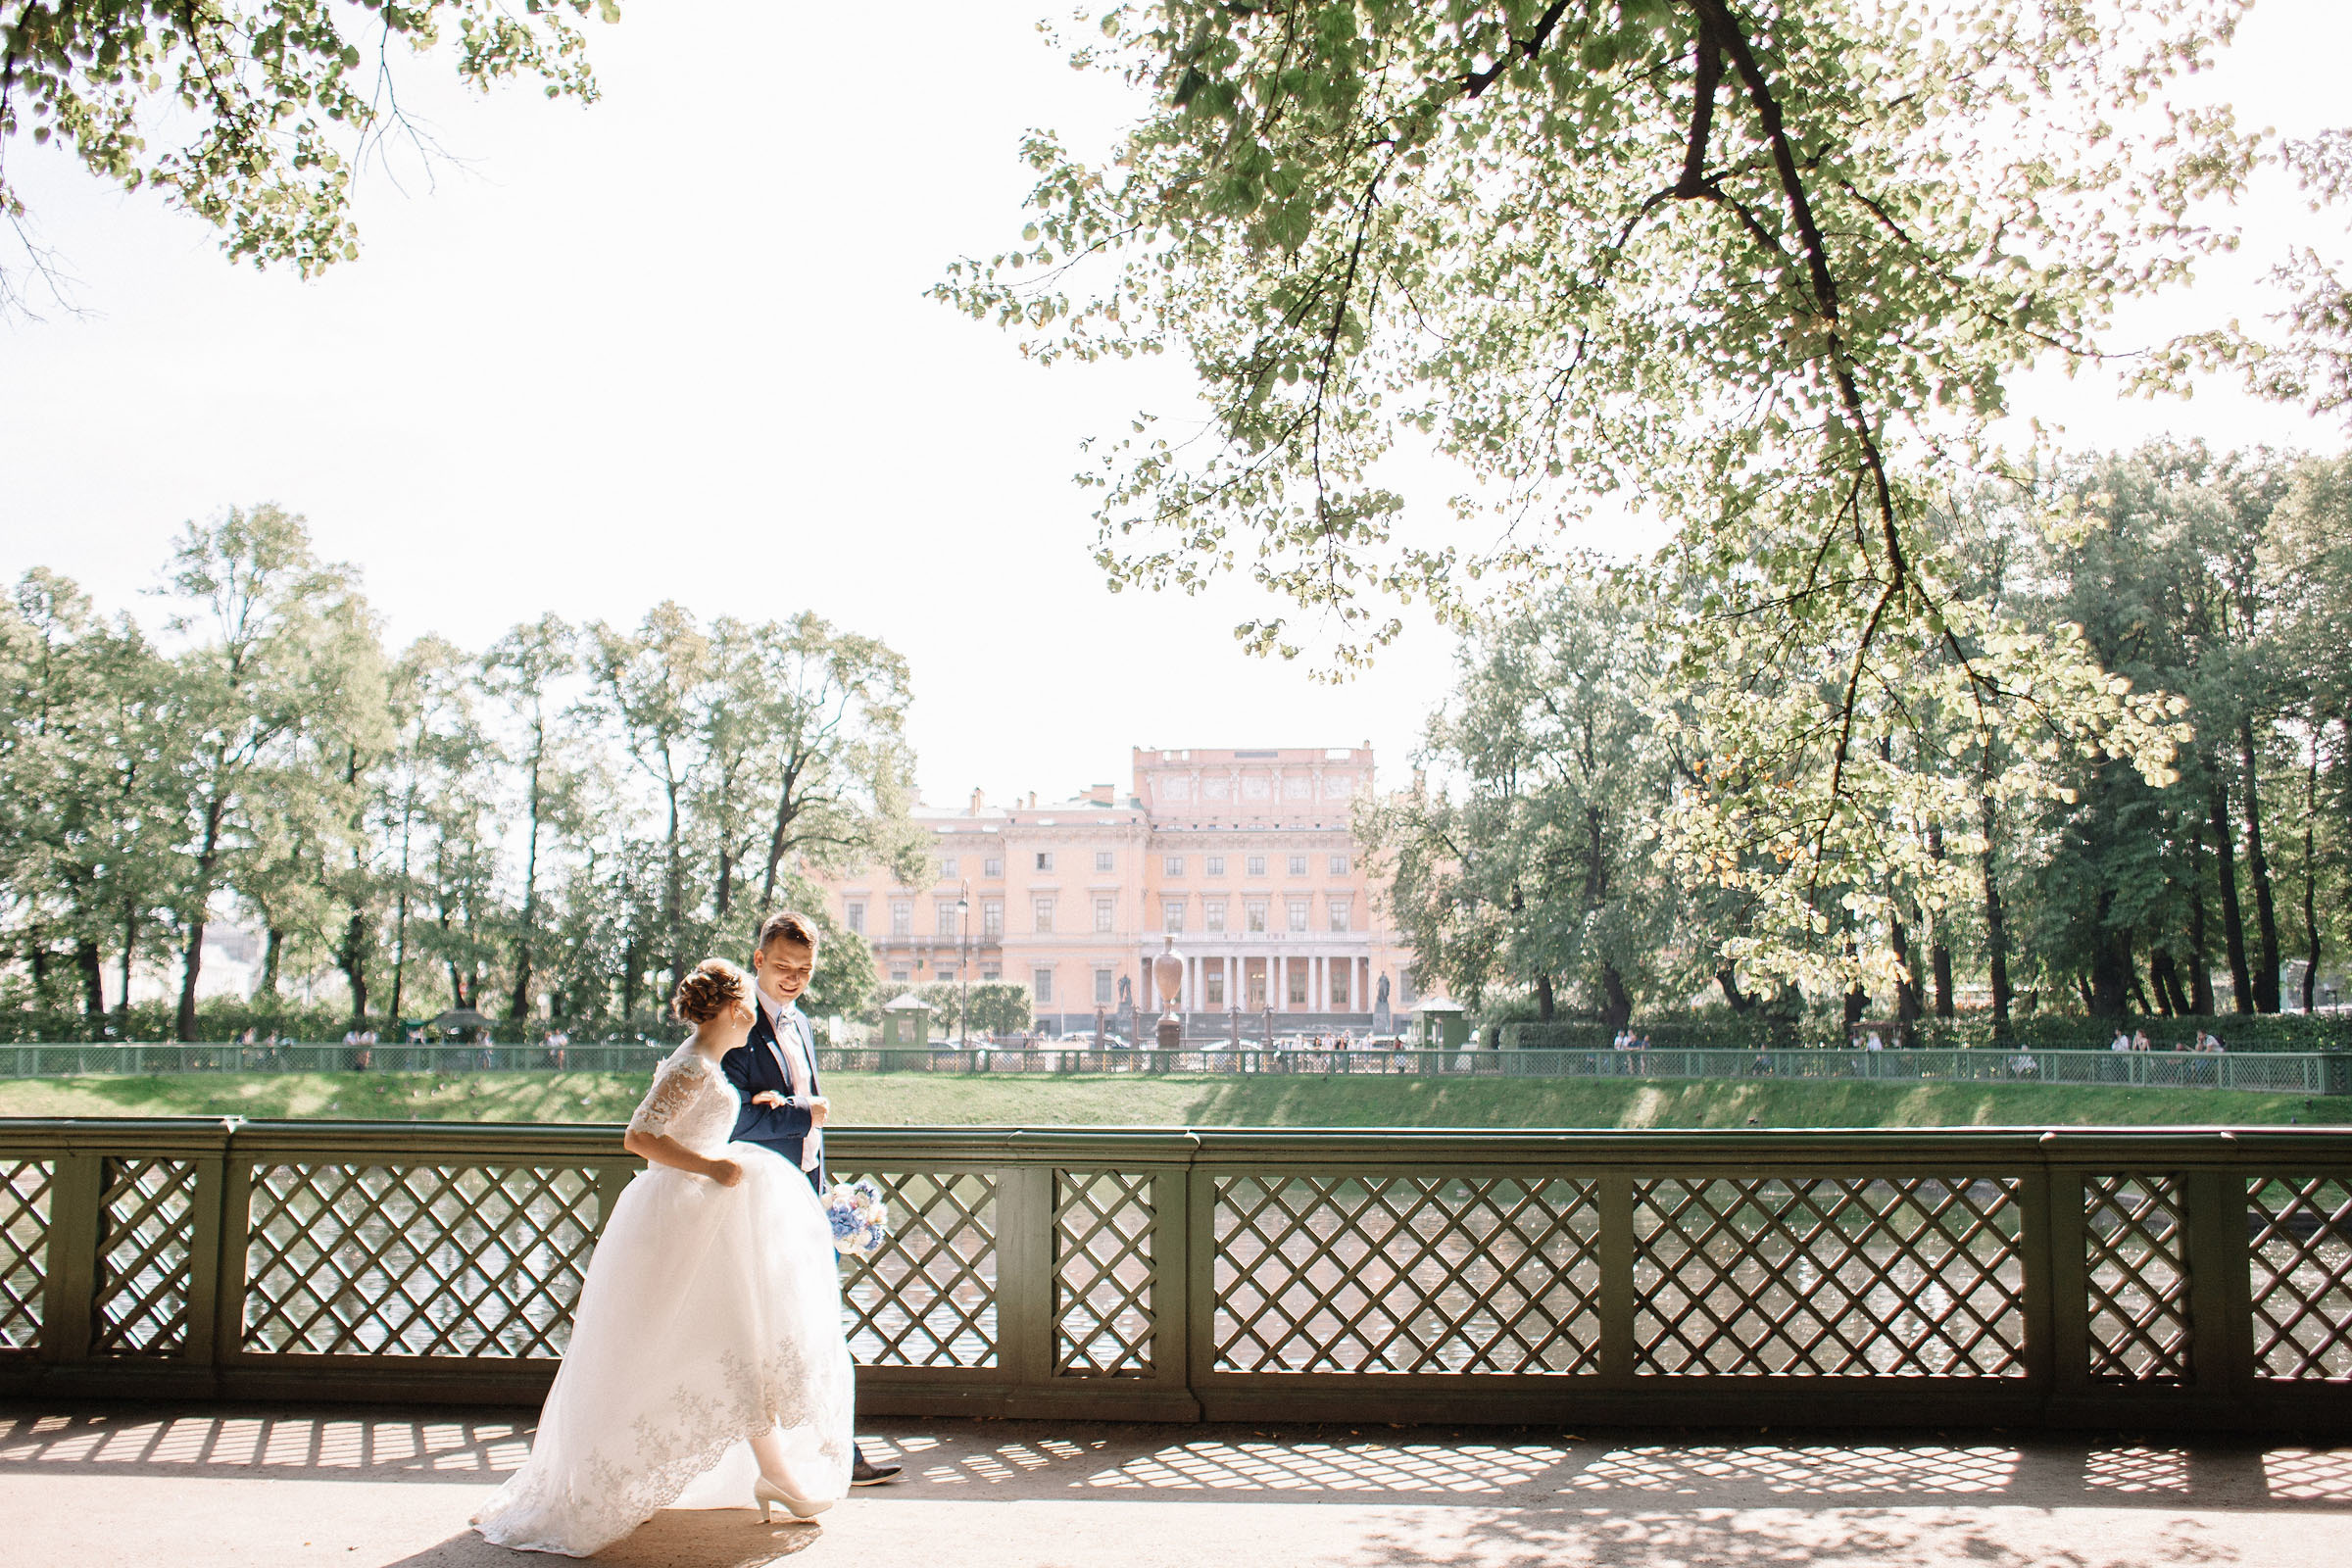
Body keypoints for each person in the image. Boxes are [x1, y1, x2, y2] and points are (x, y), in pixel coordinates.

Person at [472, 959, 855, 1556]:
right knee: (665, 1347)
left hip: (706, 1215)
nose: (753, 1012)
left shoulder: (704, 1065)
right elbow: (639, 1136)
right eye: (745, 1005)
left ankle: (771, 1470)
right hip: (680, 1215)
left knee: (733, 1343)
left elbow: (689, 1122)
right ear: (733, 1009)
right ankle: (647, 1479)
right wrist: (714, 1166)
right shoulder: (692, 1065)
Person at [724, 909, 905, 1491]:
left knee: (820, 1327)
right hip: (758, 1203)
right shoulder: (736, 1024)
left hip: (806, 1196)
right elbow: (729, 1120)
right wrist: (803, 1112)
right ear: (758, 961)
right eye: (782, 967)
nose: (793, 979)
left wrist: (828, 1192)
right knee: (774, 1332)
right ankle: (809, 1458)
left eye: (803, 970)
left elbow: (798, 1118)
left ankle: (834, 1453)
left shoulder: (801, 1025)